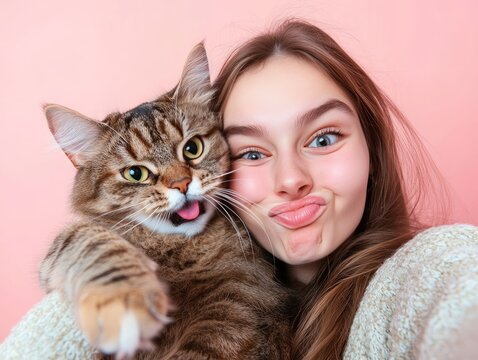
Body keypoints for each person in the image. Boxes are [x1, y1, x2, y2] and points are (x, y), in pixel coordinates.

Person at [212, 19, 478, 359]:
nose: (291, 179)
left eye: (323, 139)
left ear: (372, 151)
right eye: (251, 153)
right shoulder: (195, 314)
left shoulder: (416, 272)